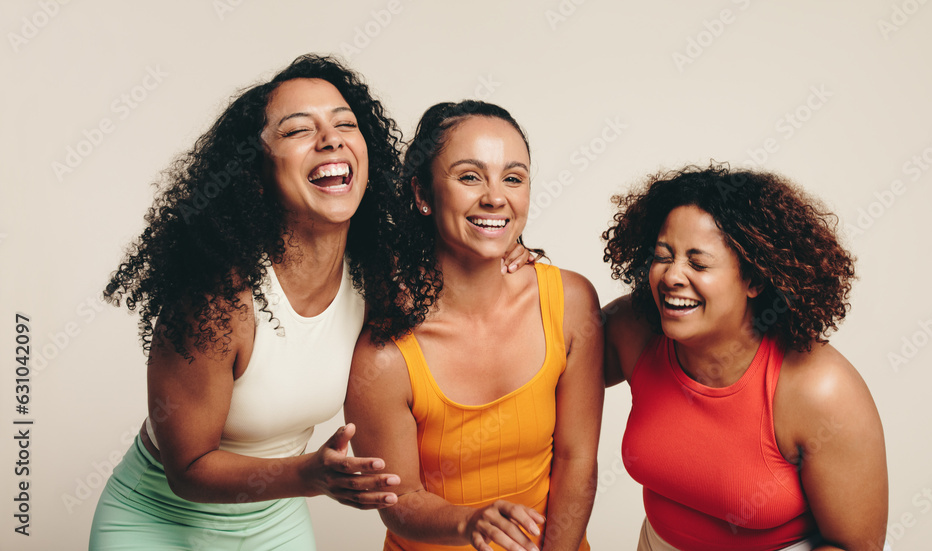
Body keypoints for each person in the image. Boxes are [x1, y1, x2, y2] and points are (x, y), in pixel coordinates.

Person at [90, 54, 411, 550]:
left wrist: (513, 255)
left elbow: (465, 268)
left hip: (273, 524)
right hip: (155, 523)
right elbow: (188, 469)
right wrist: (310, 476)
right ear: (255, 174)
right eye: (298, 130)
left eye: (345, 123)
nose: (331, 139)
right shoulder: (218, 300)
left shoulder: (376, 279)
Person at [346, 101, 604, 551]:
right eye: (469, 176)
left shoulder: (571, 303)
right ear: (423, 195)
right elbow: (399, 499)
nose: (495, 197)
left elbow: (576, 457)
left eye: (513, 177)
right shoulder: (385, 352)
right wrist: (470, 523)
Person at [602, 164, 889, 551]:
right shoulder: (634, 330)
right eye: (662, 256)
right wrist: (509, 266)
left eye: (698, 263)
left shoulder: (820, 389)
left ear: (754, 280)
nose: (672, 276)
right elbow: (545, 364)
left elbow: (856, 546)